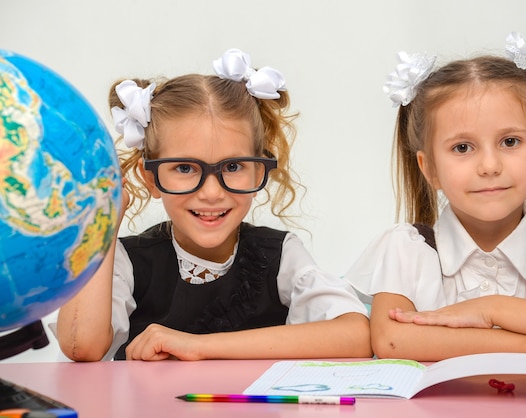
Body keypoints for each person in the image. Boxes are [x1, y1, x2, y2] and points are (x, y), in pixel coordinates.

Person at [56, 48, 371, 361]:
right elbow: (79, 345)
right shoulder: (128, 261)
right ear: (151, 179)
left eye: (232, 167)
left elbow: (356, 335)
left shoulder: (279, 253)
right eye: (184, 168)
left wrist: (196, 347)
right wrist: (104, 214)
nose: (211, 192)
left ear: (258, 170)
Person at [344, 33, 526, 361]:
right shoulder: (406, 250)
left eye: (510, 142)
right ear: (430, 168)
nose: (490, 166)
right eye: (462, 148)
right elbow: (392, 340)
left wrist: (491, 310)